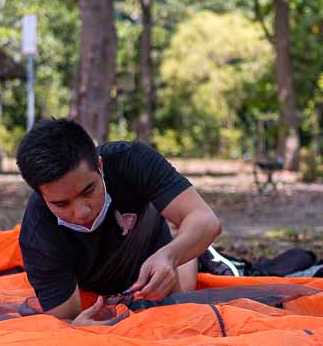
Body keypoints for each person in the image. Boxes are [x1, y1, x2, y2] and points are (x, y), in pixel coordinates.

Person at [15, 119, 221, 326]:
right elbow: (66, 318)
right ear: (42, 196)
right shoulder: (38, 235)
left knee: (181, 307)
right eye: (61, 203)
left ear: (100, 166)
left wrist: (171, 255)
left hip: (153, 254)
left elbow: (206, 220)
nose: (81, 212)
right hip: (93, 281)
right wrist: (76, 328)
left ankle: (193, 250)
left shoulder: (132, 160)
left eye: (88, 191)